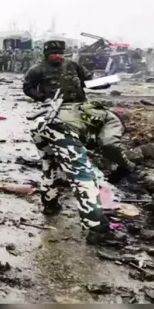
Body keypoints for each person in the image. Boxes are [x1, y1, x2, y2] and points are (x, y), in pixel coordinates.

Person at [23, 40, 132, 244]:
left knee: (51, 165)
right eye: (54, 53)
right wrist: (42, 98)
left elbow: (89, 81)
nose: (58, 56)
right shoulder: (37, 69)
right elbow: (27, 87)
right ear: (46, 54)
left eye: (60, 53)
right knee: (82, 174)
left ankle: (50, 203)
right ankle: (97, 229)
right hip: (55, 117)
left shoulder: (73, 66)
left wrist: (104, 82)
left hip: (43, 125)